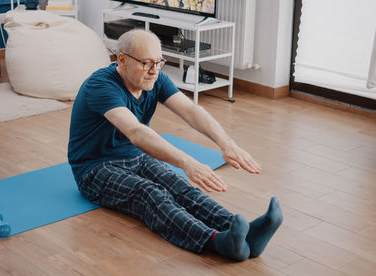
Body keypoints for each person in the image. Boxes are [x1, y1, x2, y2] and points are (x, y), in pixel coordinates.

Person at [67, 29, 282, 261]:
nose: (154, 71)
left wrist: (226, 143)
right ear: (122, 60)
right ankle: (215, 241)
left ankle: (245, 235)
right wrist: (187, 161)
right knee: (149, 193)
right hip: (95, 169)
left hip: (136, 158)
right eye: (146, 63)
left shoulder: (155, 77)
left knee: (180, 186)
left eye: (159, 62)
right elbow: (136, 132)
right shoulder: (101, 86)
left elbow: (190, 111)